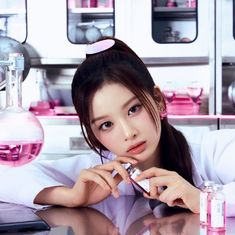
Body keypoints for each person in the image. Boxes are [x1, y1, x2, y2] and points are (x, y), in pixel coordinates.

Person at [0, 37, 235, 216]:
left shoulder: (211, 151)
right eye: (106, 124)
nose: (128, 133)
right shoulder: (97, 172)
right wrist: (71, 197)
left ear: (158, 100)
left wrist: (203, 199)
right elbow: (6, 176)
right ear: (92, 133)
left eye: (134, 109)